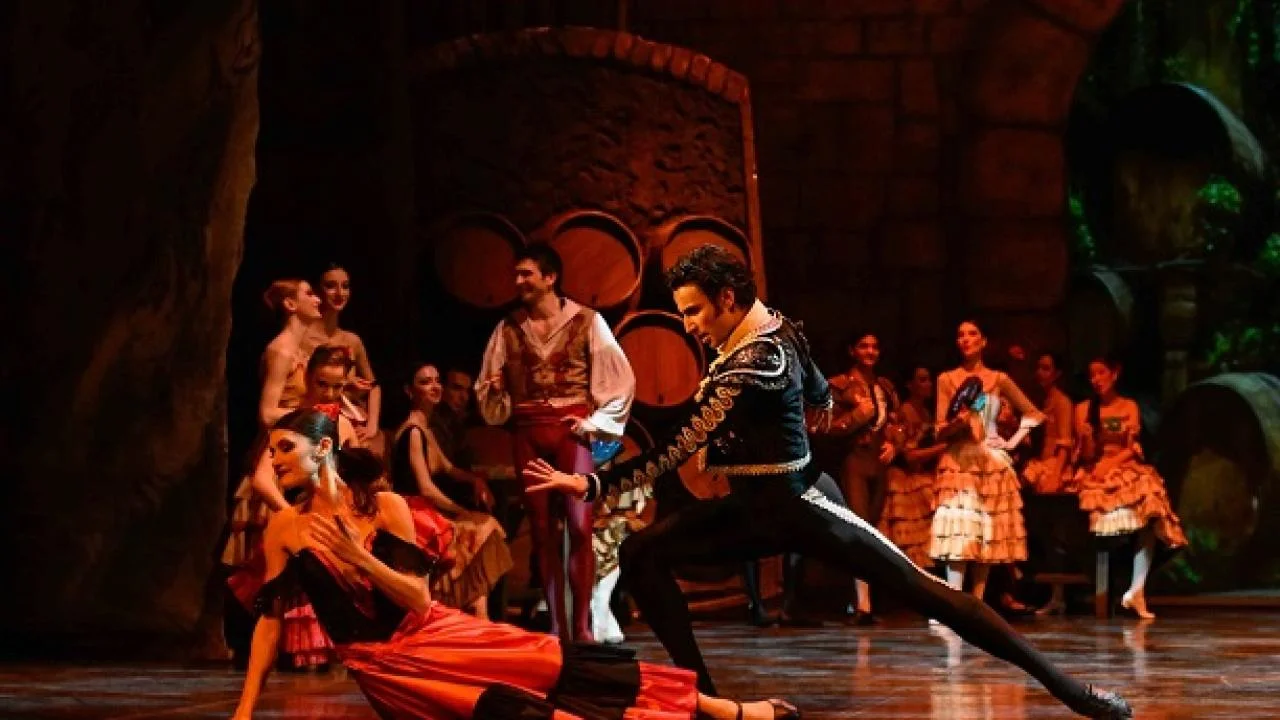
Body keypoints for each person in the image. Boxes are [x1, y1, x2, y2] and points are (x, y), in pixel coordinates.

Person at [523, 246, 1130, 719]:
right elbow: (818, 391)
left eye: (695, 311)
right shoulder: (774, 329)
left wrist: (593, 486)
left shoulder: (755, 360)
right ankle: (707, 702)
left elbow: (682, 441)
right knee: (641, 552)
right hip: (754, 510)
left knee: (933, 595)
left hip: (805, 506)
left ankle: (1074, 693)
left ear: (728, 298)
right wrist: (816, 413)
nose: (688, 325)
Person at [231, 408, 799, 720]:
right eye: (272, 450)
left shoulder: (384, 508)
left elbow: (418, 599)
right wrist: (245, 709)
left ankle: (722, 711)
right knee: (519, 714)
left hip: (431, 635)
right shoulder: (285, 527)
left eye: (284, 448)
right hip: (386, 669)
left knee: (556, 663)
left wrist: (359, 557)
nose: (273, 460)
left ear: (322, 449)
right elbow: (270, 622)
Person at [477, 244, 636, 643]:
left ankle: (581, 625)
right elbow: (489, 391)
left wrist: (594, 422)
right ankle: (556, 625)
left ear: (550, 278)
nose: (518, 282)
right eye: (516, 274)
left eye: (526, 274)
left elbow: (621, 380)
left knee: (580, 525)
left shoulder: (587, 321)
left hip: (571, 433)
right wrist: (497, 394)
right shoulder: (507, 328)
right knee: (542, 529)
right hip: (528, 432)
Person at [928, 321, 1041, 603]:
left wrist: (1011, 442)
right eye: (960, 335)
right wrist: (956, 424)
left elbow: (1034, 413)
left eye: (972, 334)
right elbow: (939, 429)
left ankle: (977, 603)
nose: (966, 339)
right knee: (959, 532)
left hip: (989, 461)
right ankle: (954, 602)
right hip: (959, 460)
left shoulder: (998, 379)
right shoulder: (946, 379)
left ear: (983, 340)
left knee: (986, 534)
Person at [1072, 356, 1187, 620]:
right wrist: (1087, 439)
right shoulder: (1084, 409)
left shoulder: (1128, 406)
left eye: (1101, 373)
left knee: (1151, 514)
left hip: (1124, 467)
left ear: (1114, 374)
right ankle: (1111, 589)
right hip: (1096, 472)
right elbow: (1086, 455)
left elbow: (1131, 447)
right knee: (1104, 522)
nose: (1096, 379)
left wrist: (1112, 463)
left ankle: (1137, 589)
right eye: (1092, 375)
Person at [392, 363, 509, 620]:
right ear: (410, 391)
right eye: (425, 382)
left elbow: (448, 468)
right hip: (414, 513)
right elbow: (426, 488)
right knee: (481, 528)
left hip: (425, 509)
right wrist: (461, 511)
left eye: (436, 381)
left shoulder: (425, 426)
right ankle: (476, 613)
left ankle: (480, 612)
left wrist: (475, 481)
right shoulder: (413, 431)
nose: (434, 387)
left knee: (485, 527)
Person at [827, 330, 903, 624]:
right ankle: (863, 604)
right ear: (852, 350)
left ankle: (863, 599)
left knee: (873, 530)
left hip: (878, 463)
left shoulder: (885, 386)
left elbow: (900, 423)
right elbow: (826, 426)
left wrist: (894, 443)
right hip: (855, 460)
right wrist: (858, 415)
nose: (870, 351)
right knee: (858, 528)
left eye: (874, 347)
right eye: (863, 346)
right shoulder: (840, 384)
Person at [310, 262, 383, 452]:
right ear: (317, 291)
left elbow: (374, 386)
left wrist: (372, 426)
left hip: (350, 419)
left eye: (345, 286)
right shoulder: (305, 338)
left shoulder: (352, 340)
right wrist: (345, 383)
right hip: (315, 422)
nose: (339, 293)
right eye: (330, 286)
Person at [878, 364, 941, 569]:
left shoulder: (926, 411)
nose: (928, 384)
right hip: (906, 477)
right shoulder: (906, 411)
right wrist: (944, 447)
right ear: (910, 385)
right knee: (911, 540)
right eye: (922, 380)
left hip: (922, 473)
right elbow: (910, 455)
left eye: (929, 379)